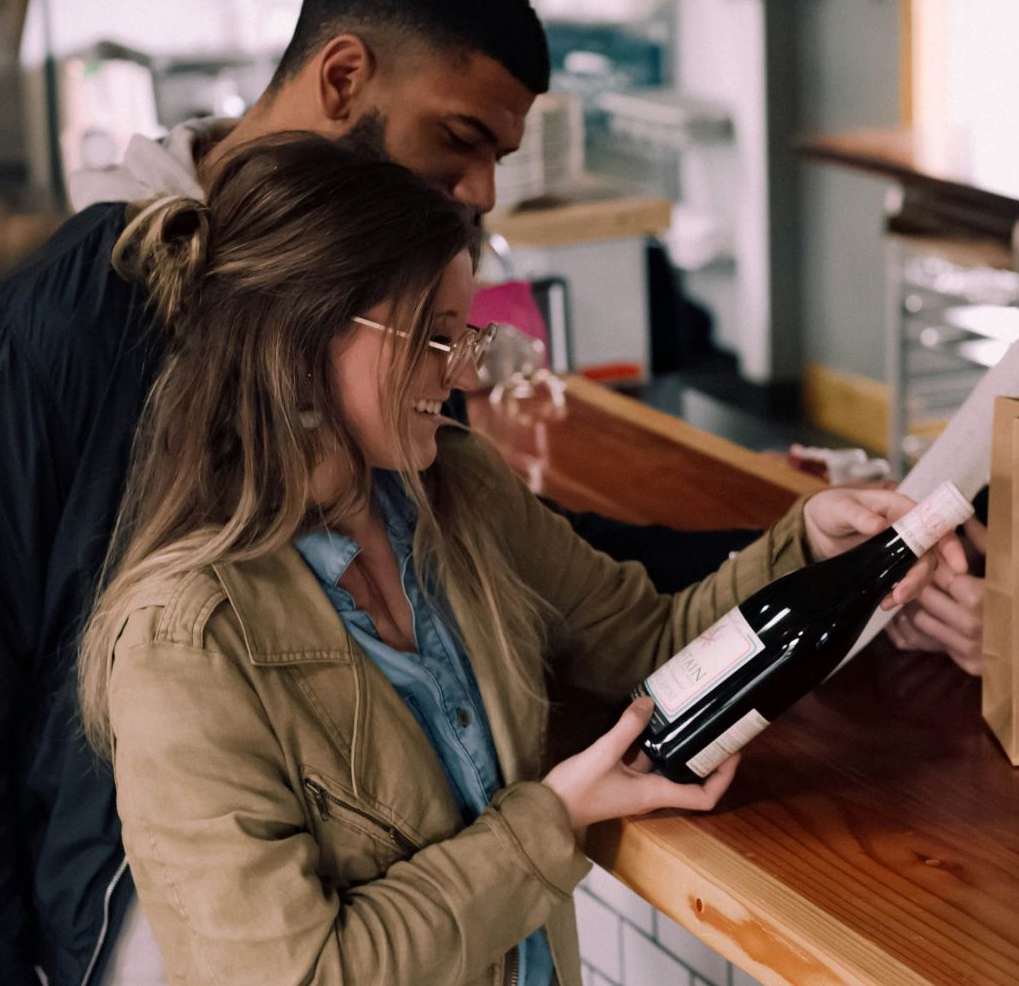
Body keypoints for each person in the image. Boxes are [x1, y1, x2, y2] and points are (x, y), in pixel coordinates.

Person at [0, 0, 938, 985]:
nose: (479, 191)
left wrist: (812, 551)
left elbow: (571, 588)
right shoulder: (69, 349)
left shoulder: (417, 465)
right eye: (461, 138)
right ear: (341, 79)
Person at [81, 132, 957, 984]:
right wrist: (550, 823)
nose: (460, 374)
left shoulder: (455, 491)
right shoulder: (182, 646)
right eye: (432, 338)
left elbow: (648, 639)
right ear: (300, 341)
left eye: (464, 337)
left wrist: (808, 547)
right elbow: (305, 971)